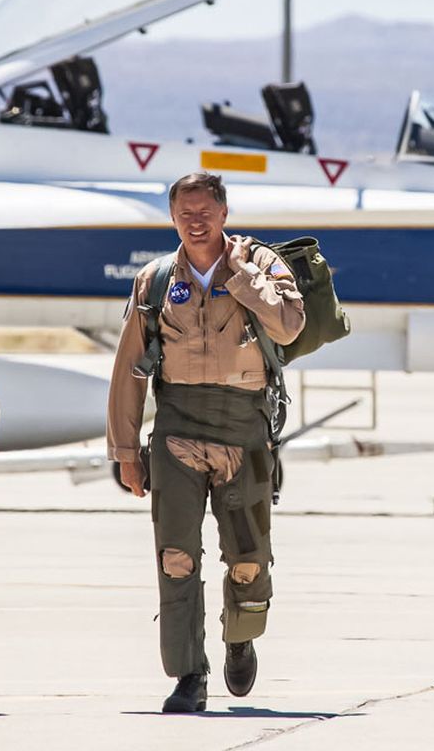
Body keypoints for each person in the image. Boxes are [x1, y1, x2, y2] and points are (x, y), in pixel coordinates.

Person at [108, 171, 304, 713]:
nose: (196, 221)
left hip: (243, 428)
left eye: (205, 211)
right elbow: (129, 369)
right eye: (185, 212)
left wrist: (242, 279)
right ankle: (188, 676)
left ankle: (240, 637)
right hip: (177, 431)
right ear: (172, 217)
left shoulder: (262, 266)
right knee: (176, 557)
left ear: (223, 213)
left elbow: (288, 327)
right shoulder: (154, 281)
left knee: (247, 559)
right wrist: (125, 452)